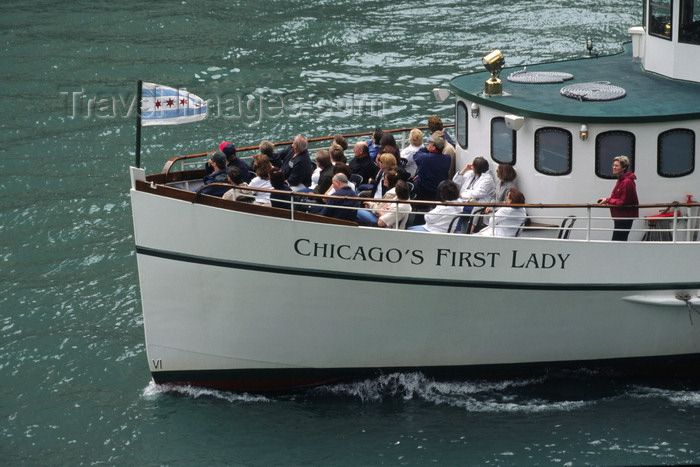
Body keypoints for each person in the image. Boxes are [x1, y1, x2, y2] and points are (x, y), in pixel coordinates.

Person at [598, 155, 639, 241]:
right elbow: (619, 198)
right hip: (621, 217)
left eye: (616, 165)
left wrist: (608, 200)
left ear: (624, 167)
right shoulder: (622, 180)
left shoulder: (626, 182)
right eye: (613, 165)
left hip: (624, 217)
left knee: (618, 241)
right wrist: (608, 201)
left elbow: (623, 201)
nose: (614, 167)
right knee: (618, 241)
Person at [413, 135, 452, 201]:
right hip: (440, 189)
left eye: (430, 143)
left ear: (434, 147)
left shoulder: (425, 158)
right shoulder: (447, 158)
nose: (428, 144)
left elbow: (416, 155)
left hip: (425, 190)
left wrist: (425, 148)